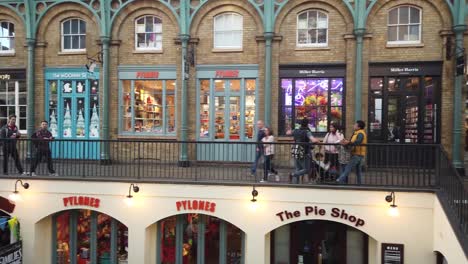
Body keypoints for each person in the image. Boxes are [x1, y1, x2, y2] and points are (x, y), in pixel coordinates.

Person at [286, 118, 320, 184]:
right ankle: (292, 175)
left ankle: (296, 184)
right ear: (307, 124)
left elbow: (287, 133)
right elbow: (313, 140)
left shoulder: (295, 130)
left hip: (296, 151)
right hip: (304, 152)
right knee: (307, 169)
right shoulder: (307, 132)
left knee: (298, 168)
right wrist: (318, 141)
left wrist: (289, 127)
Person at [336, 120, 367, 184]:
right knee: (358, 171)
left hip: (357, 154)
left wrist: (348, 142)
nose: (354, 125)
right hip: (357, 154)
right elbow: (352, 142)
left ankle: (339, 180)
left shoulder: (360, 133)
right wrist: (346, 142)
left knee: (348, 168)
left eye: (355, 124)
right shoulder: (356, 133)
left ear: (359, 127)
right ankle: (360, 184)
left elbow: (357, 142)